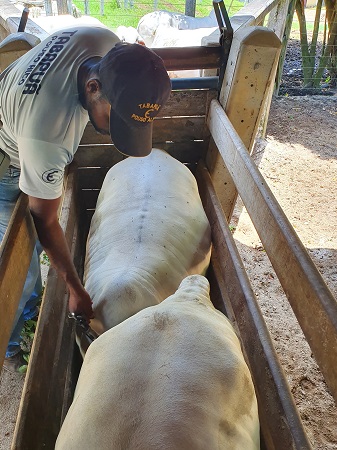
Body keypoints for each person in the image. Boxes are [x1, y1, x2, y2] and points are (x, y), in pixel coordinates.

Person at [0, 25, 171, 371]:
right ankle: (11, 342)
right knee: (20, 263)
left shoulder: (102, 41)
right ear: (93, 88)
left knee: (33, 248)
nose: (112, 129)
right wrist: (75, 288)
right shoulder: (50, 134)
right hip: (8, 157)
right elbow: (44, 220)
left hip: (21, 112)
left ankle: (27, 313)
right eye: (114, 117)